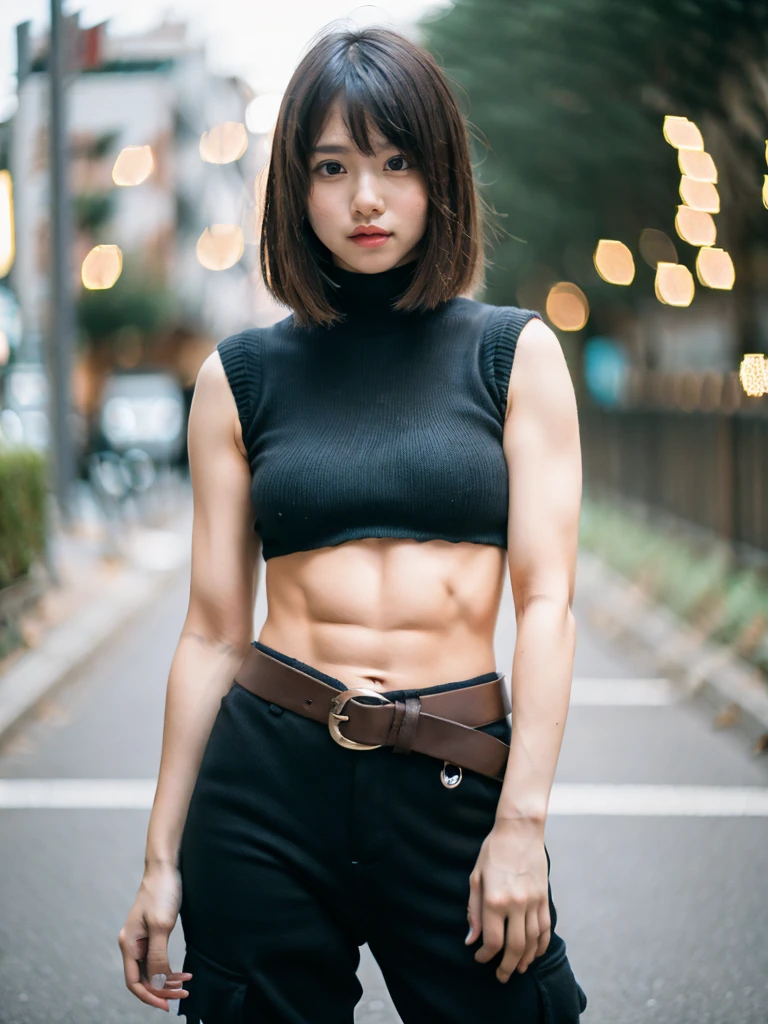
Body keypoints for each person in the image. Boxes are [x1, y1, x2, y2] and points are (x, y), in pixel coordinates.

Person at [118, 23, 587, 1024]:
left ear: (439, 176)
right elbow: (210, 632)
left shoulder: (512, 358)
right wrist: (160, 862)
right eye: (332, 167)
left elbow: (547, 604)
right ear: (297, 187)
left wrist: (523, 826)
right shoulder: (238, 377)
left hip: (453, 777)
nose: (365, 197)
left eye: (394, 161)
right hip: (266, 785)